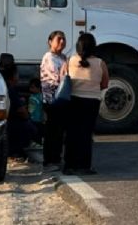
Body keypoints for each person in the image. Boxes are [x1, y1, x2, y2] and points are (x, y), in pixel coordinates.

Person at [64, 33, 109, 175]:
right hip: (91, 102)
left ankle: (69, 165)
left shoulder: (69, 61)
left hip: (73, 100)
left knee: (72, 133)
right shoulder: (100, 63)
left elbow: (63, 80)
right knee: (86, 133)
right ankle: (84, 165)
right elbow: (105, 83)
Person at [40, 30, 68, 173]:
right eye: (59, 39)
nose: (62, 42)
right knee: (52, 132)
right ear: (50, 41)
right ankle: (49, 161)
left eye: (63, 39)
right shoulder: (49, 58)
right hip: (51, 100)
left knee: (58, 132)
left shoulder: (63, 57)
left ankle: (56, 159)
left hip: (61, 99)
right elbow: (57, 78)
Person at [27, 78, 44, 144]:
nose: (31, 89)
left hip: (38, 120)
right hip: (32, 118)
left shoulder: (41, 96)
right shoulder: (31, 96)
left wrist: (43, 117)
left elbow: (43, 107)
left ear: (39, 88)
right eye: (30, 87)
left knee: (38, 134)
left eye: (33, 87)